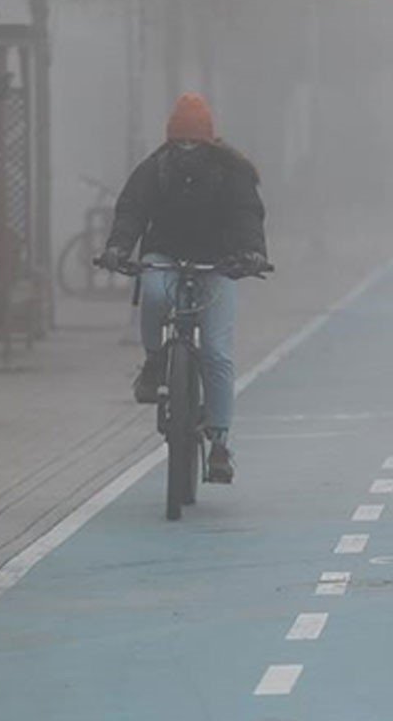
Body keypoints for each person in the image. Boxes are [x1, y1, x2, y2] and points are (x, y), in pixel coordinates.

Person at [100, 93, 268, 484]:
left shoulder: (233, 172)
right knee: (155, 293)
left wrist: (252, 254)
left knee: (217, 352)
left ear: (209, 140)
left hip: (219, 264)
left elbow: (247, 215)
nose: (187, 148)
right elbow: (131, 210)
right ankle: (155, 360)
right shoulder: (155, 168)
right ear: (170, 140)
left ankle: (220, 444)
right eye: (180, 141)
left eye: (195, 141)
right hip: (165, 256)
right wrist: (118, 247)